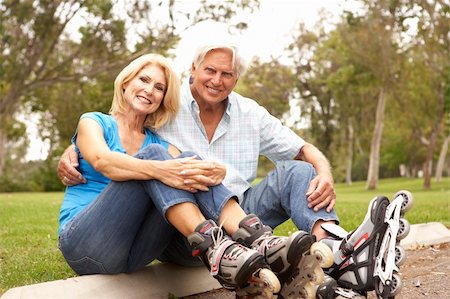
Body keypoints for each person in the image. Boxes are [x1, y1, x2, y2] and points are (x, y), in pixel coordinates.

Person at [58, 45, 400, 297]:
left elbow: (198, 167)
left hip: (139, 249)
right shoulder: (97, 122)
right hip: (94, 241)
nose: (150, 90)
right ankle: (226, 246)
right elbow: (104, 159)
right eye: (143, 81)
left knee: (193, 162)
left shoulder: (164, 133)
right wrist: (165, 170)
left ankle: (320, 255)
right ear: (125, 82)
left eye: (159, 87)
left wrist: (197, 169)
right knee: (162, 159)